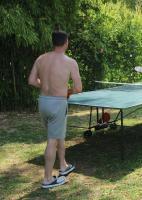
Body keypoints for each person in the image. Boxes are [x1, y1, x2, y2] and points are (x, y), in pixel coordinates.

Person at [28, 29, 82, 189]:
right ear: (66, 42)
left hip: (43, 102)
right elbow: (78, 88)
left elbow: (31, 80)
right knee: (52, 140)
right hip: (58, 103)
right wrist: (66, 91)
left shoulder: (41, 58)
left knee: (57, 135)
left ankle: (63, 166)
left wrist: (45, 86)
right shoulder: (70, 62)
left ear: (53, 42)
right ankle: (47, 179)